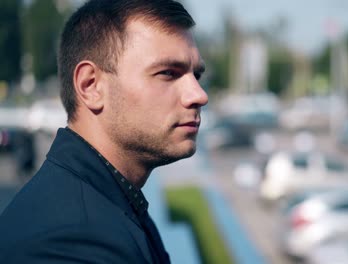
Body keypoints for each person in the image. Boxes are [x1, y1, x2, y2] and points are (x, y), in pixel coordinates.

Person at [0, 0, 208, 263]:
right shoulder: (69, 243)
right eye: (168, 73)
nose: (199, 95)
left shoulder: (110, 204)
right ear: (91, 86)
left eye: (196, 75)